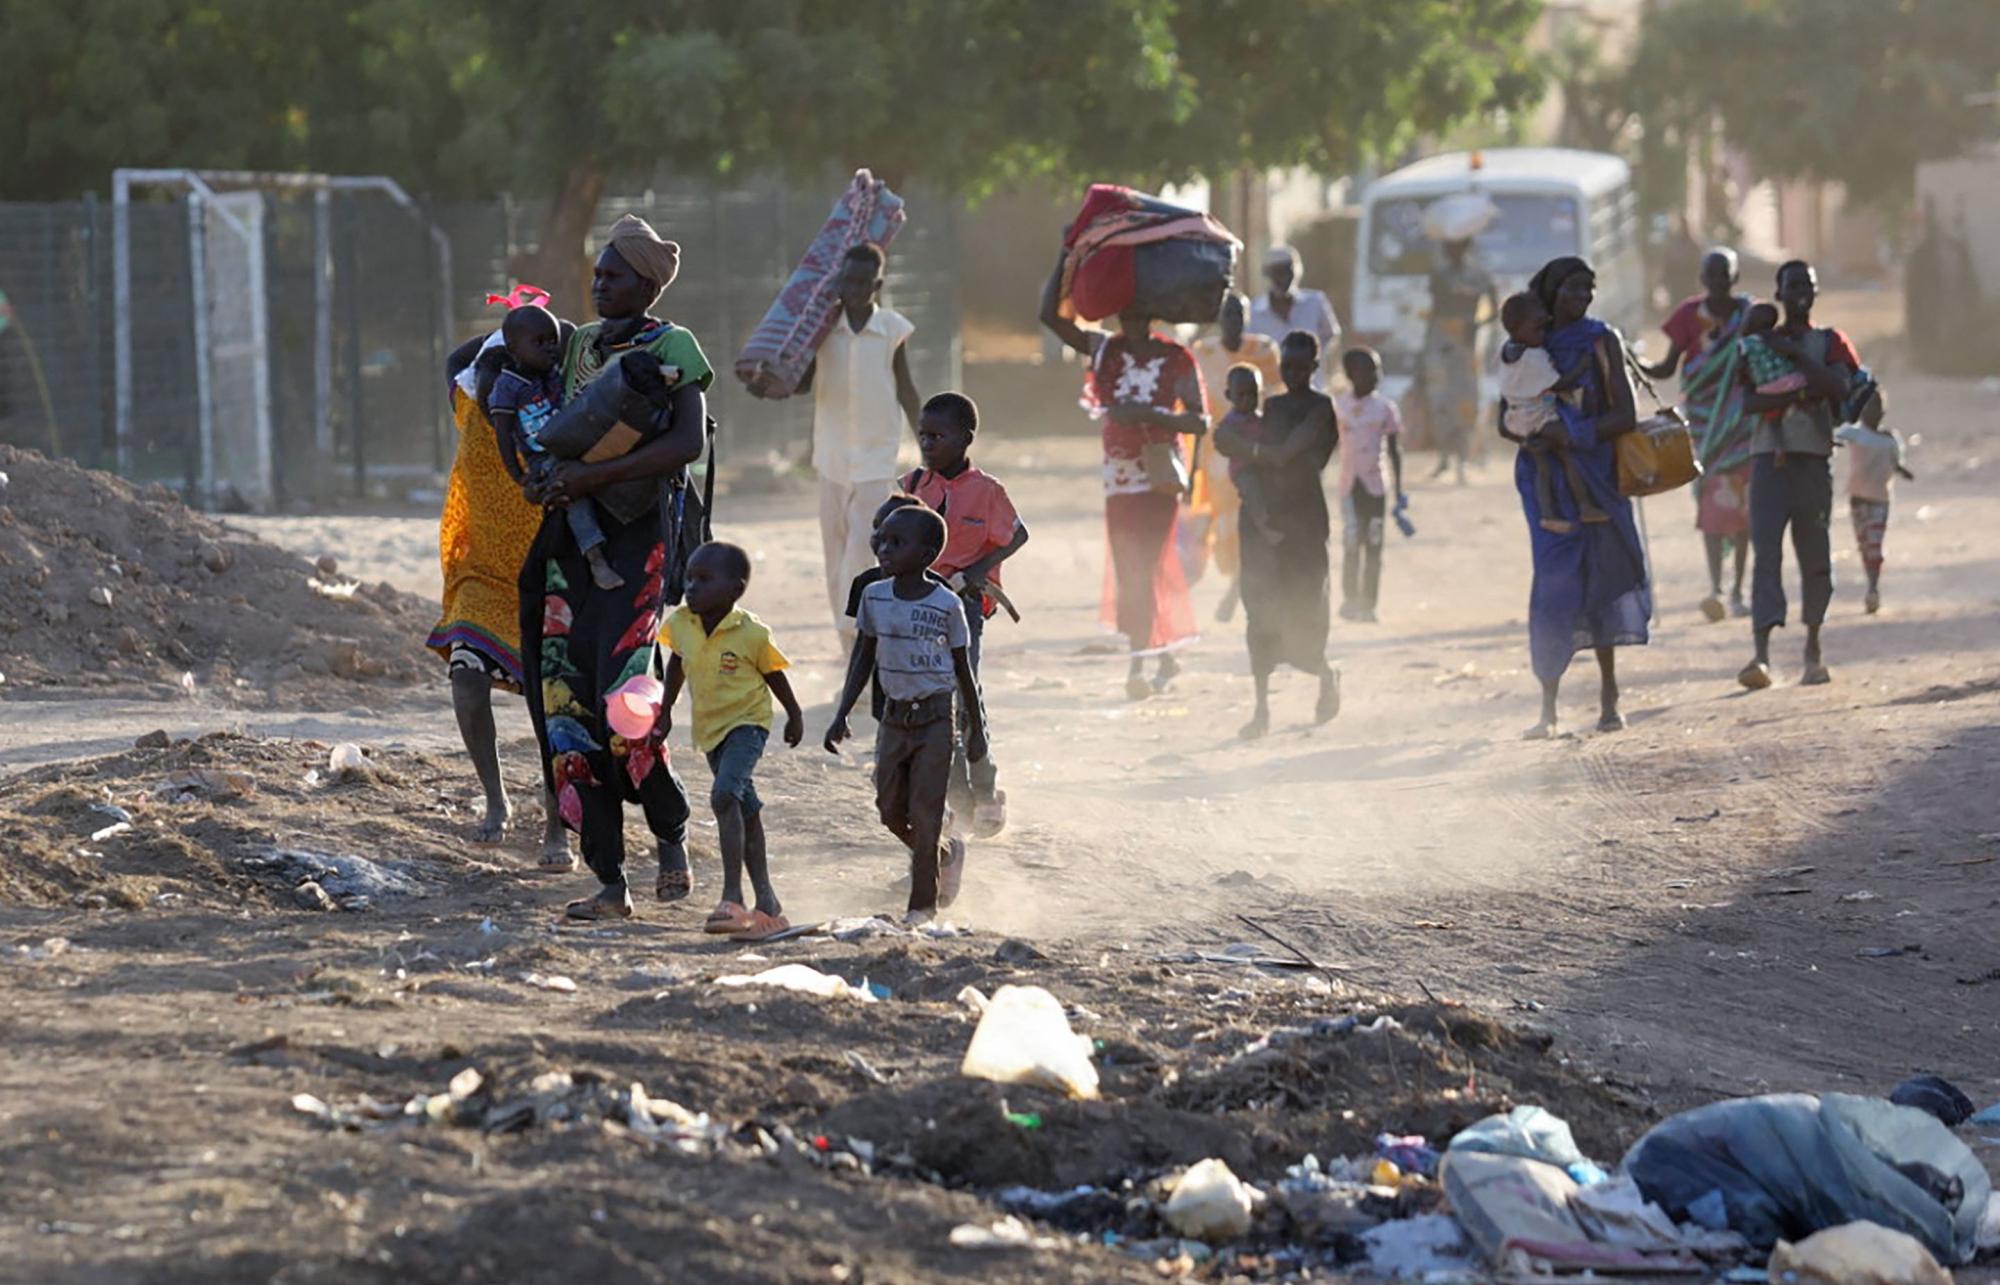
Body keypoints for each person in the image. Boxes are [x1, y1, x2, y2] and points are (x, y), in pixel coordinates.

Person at [518, 213, 713, 920]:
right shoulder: (580, 348)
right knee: (567, 708)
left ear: (648, 283)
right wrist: (549, 479)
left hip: (638, 543)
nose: (600, 285)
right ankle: (609, 879)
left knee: (627, 706)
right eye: (597, 275)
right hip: (572, 546)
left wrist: (590, 481)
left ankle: (670, 834)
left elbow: (687, 442)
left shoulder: (674, 345)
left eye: (614, 275)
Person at [430, 320, 571, 866]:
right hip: (482, 574)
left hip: (549, 572)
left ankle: (558, 823)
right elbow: (456, 360)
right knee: (466, 678)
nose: (497, 390)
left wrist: (543, 327)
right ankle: (496, 800)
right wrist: (510, 322)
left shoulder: (551, 410)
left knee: (550, 707)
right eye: (492, 373)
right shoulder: (469, 402)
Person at [1039, 267, 1207, 700]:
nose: (1130, 321)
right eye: (1124, 313)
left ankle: (1138, 663)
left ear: (1151, 315)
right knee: (1131, 564)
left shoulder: (1176, 358)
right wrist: (1066, 257)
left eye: (1138, 313)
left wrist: (1151, 415)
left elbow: (1198, 419)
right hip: (1119, 477)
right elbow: (1050, 319)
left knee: (1144, 565)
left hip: (1159, 475)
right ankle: (1163, 650)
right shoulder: (1104, 351)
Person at [826, 505, 987, 924]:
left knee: (925, 812)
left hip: (936, 719)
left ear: (928, 552)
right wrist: (841, 713)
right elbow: (863, 656)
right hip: (894, 719)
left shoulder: (946, 604)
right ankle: (943, 852)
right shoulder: (873, 596)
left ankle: (922, 908)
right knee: (888, 808)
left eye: (897, 542)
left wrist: (976, 731)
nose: (884, 548)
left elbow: (962, 669)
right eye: (881, 540)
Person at [1510, 256, 1648, 740]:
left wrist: (1574, 434)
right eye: (1571, 289)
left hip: (1598, 477)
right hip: (1547, 487)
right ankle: (1548, 707)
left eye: (1588, 289)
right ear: (1551, 292)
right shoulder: (1529, 341)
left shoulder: (1601, 340)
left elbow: (1625, 416)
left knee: (1603, 582)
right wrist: (1536, 435)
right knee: (1553, 587)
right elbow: (1505, 416)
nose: (1581, 298)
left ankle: (1610, 698)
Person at [661, 542, 804, 942]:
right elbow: (677, 665)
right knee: (745, 807)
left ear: (734, 589)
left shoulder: (752, 633)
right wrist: (666, 710)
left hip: (748, 724)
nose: (691, 587)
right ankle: (769, 905)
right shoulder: (682, 624)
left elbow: (775, 674)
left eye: (704, 580)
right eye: (689, 578)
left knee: (724, 796)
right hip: (711, 730)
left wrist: (794, 713)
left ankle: (731, 897)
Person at [900, 392, 1028, 840]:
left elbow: (1017, 534)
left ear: (966, 438)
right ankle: (958, 799)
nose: (928, 444)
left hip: (964, 607)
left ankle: (986, 789)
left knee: (964, 695)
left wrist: (973, 573)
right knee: (933, 702)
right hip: (917, 606)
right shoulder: (913, 487)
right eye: (923, 435)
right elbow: (891, 538)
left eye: (938, 436)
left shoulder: (987, 491)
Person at [1736, 260, 1862, 691]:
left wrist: (1792, 358)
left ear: (1816, 291)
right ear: (1779, 292)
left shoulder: (1828, 341)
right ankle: (1762, 655)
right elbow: (1746, 402)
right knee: (1766, 555)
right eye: (1792, 286)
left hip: (1811, 457)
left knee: (1815, 555)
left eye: (1807, 285)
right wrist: (1804, 388)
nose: (1800, 293)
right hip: (1768, 459)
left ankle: (1813, 648)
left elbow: (1842, 388)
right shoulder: (1756, 342)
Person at [1212, 330, 1341, 740]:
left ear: (1315, 367)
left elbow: (1285, 452)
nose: (1295, 373)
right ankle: (1262, 708)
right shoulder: (1273, 407)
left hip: (1304, 521)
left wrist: (1243, 449)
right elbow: (1233, 439)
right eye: (1288, 366)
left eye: (1303, 366)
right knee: (1261, 610)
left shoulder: (1321, 408)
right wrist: (1238, 446)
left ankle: (1324, 673)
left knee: (1306, 608)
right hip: (1263, 522)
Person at [799, 242, 922, 642]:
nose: (852, 288)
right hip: (831, 456)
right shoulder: (822, 329)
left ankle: (859, 632)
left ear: (877, 284)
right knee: (833, 552)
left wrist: (927, 444)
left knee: (860, 549)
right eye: (846, 279)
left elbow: (906, 389)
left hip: (876, 456)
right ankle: (846, 642)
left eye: (861, 281)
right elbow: (800, 383)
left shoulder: (892, 330)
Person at [1641, 248, 1756, 622]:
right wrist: (1629, 359)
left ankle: (1739, 589)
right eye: (1712, 277)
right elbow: (1666, 368)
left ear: (1735, 278)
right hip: (1705, 426)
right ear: (1702, 279)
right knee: (1712, 506)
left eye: (1725, 276)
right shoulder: (1688, 316)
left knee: (1744, 510)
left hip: (1743, 423)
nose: (1719, 283)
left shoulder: (1750, 314)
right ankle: (1716, 589)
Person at [487, 304, 623, 592]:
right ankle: (595, 556)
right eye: (539, 342)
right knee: (570, 493)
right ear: (513, 347)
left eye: (553, 340)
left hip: (576, 443)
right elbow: (503, 434)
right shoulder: (507, 386)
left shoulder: (554, 373)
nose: (550, 348)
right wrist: (519, 475)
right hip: (543, 458)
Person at [1190, 291, 1283, 620]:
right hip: (1217, 454)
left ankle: (1238, 591)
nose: (1233, 321)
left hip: (1254, 450)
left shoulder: (1263, 351)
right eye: (1228, 315)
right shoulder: (1204, 352)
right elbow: (1194, 406)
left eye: (1239, 315)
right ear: (1219, 318)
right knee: (1225, 528)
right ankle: (1237, 583)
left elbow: (1277, 400)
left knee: (1253, 520)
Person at [1496, 292, 1606, 536]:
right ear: (1518, 328)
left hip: (1515, 419)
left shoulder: (1506, 352)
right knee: (1569, 453)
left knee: (1543, 465)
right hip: (1538, 417)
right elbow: (1560, 384)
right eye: (1537, 329)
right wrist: (1583, 367)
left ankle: (1548, 514)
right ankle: (1585, 504)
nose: (1543, 334)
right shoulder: (1534, 357)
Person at [1333, 347, 1406, 622]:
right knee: (1352, 541)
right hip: (1349, 486)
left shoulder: (1385, 409)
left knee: (1374, 544)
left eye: (1378, 370)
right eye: (1370, 370)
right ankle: (1350, 600)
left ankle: (1369, 603)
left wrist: (1399, 490)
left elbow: (1394, 450)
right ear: (1352, 375)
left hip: (1376, 486)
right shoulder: (1339, 407)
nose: (1377, 376)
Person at [1419, 237, 1499, 485]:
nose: (1451, 252)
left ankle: (1465, 457)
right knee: (1439, 399)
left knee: (1467, 399)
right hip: (1440, 340)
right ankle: (1444, 457)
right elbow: (1435, 307)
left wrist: (1477, 325)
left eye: (1455, 247)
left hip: (1467, 341)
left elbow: (1493, 310)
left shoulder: (1479, 275)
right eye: (1448, 247)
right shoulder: (1438, 275)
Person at [1835, 389, 1910, 616]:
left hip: (1879, 500)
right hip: (1858, 499)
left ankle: (1872, 589)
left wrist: (1903, 471)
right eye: (1868, 408)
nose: (1872, 413)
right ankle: (1871, 586)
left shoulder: (1890, 440)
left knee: (1874, 546)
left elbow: (1896, 464)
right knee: (1865, 545)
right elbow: (1834, 436)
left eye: (1876, 409)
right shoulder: (1855, 434)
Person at [1248, 246, 1339, 389]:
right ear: (1267, 274)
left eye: (1288, 271)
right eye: (1277, 272)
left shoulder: (1315, 302)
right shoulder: (1253, 311)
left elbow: (1330, 336)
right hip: (1271, 391)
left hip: (1312, 388)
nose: (1284, 278)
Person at [1217, 366, 1282, 548]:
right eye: (1241, 395)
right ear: (1229, 395)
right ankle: (1265, 526)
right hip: (1243, 470)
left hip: (1261, 468)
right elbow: (1223, 440)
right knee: (1252, 491)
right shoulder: (1231, 422)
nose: (1247, 400)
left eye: (1253, 395)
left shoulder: (1261, 418)